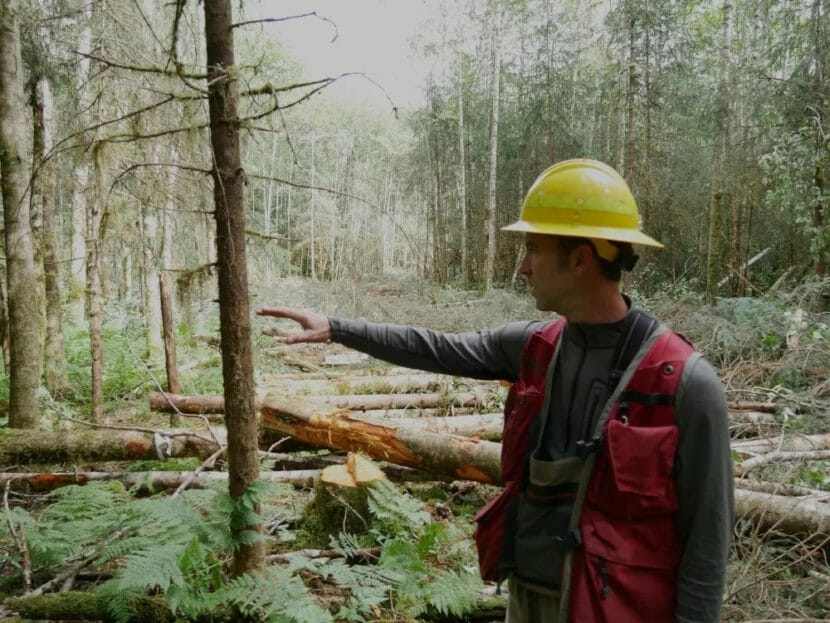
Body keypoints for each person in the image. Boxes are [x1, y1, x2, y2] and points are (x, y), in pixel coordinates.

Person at [257, 159, 733, 623]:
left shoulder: (685, 385)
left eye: (533, 249)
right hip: (529, 597)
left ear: (580, 258)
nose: (523, 267)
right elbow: (439, 348)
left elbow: (707, 546)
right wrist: (337, 327)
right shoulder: (534, 347)